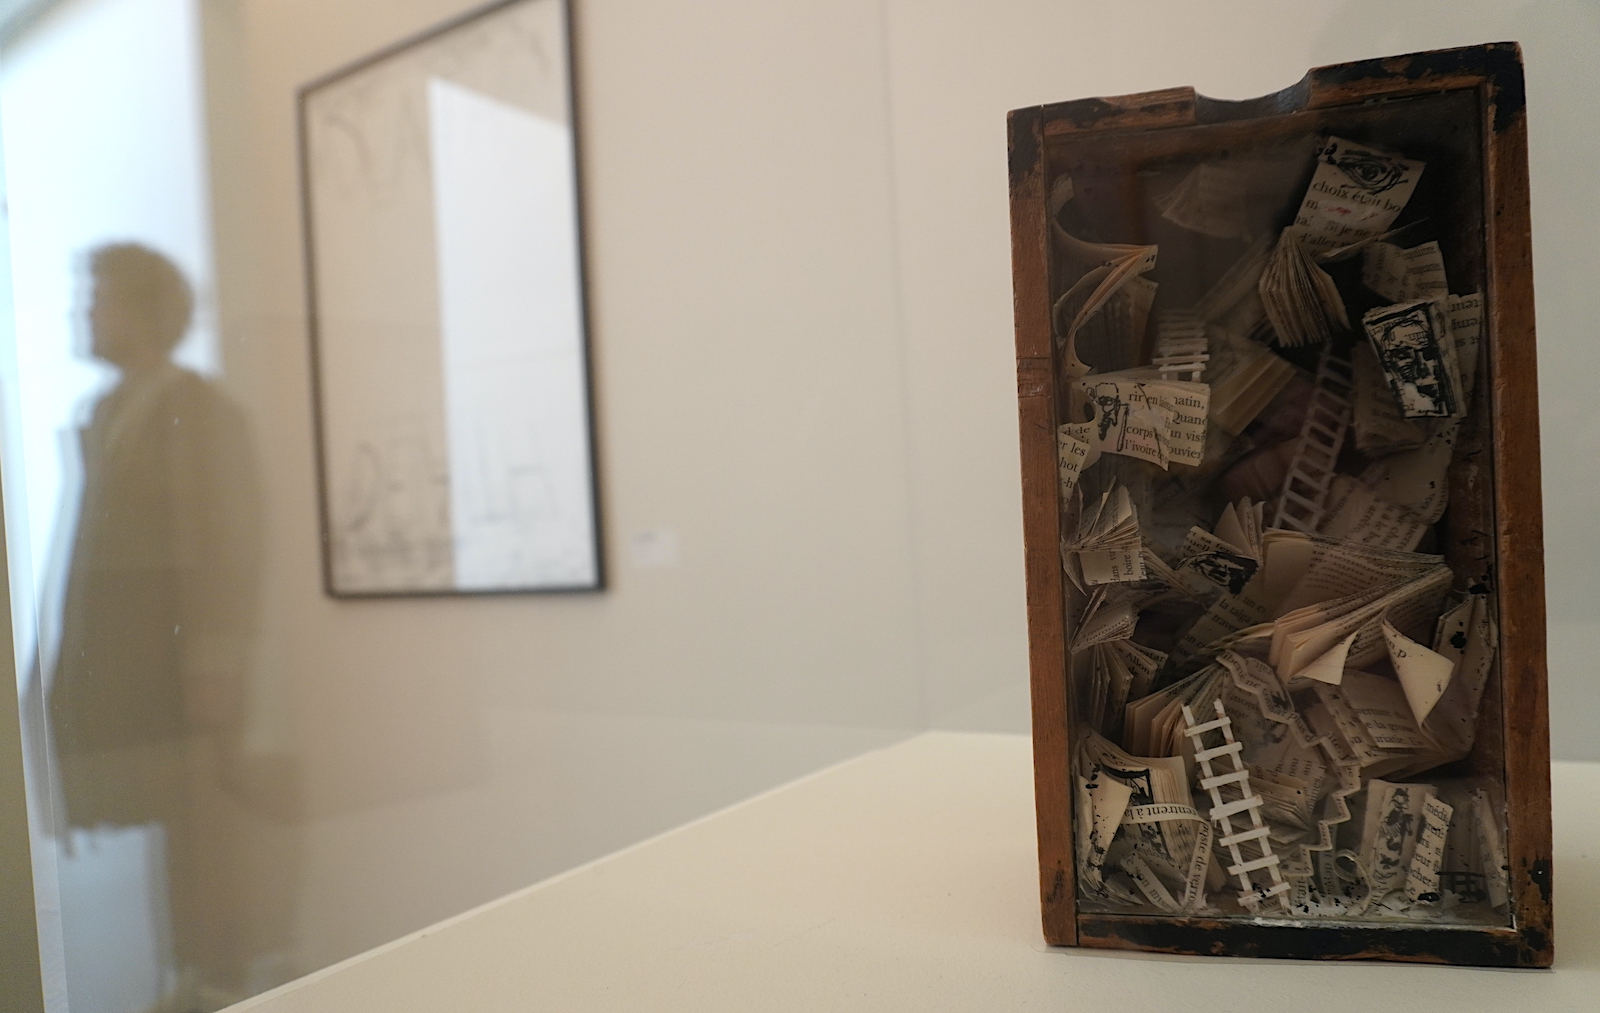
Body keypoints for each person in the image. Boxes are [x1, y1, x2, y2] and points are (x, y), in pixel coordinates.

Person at [42, 243, 263, 1009]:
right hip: (124, 664)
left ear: (141, 310)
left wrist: (216, 661)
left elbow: (233, 541)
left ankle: (216, 978)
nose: (84, 313)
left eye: (99, 299)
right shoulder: (108, 411)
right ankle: (184, 975)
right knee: (161, 817)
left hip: (179, 670)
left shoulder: (201, 410)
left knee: (202, 828)